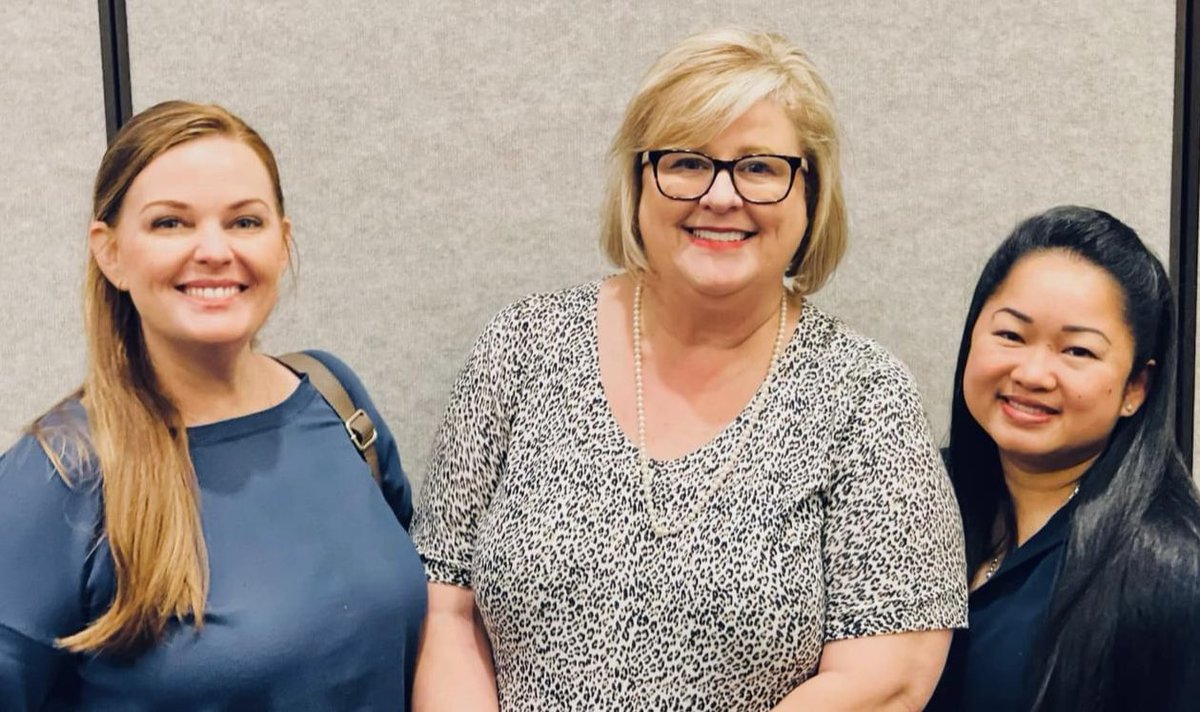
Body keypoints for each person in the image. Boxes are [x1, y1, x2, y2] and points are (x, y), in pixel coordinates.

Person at [411, 28, 967, 711]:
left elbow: (888, 677)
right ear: (640, 181)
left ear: (811, 195)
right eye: (686, 162)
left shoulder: (865, 395)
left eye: (760, 167)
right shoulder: (523, 346)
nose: (721, 196)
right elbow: (445, 602)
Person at [0, 101, 426, 710]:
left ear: (283, 241)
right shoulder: (58, 472)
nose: (213, 250)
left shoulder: (335, 397)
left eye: (245, 222)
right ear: (110, 251)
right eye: (170, 223)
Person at [927, 205, 1200, 711]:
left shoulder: (1175, 570)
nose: (1032, 372)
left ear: (1136, 388)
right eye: (1010, 335)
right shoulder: (909, 496)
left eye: (1077, 351)